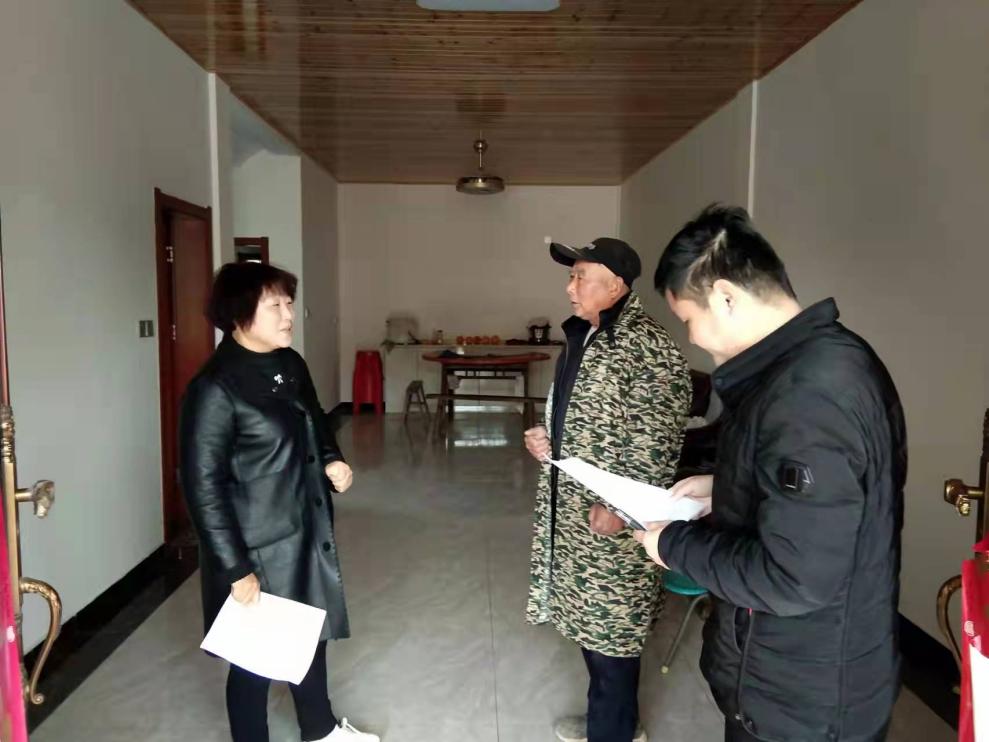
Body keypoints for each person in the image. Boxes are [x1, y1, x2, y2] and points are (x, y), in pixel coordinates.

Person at [637, 205, 906, 742]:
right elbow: (832, 502)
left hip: (803, 703)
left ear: (725, 297)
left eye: (688, 319)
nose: (693, 338)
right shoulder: (821, 362)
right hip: (797, 681)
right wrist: (725, 487)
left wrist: (673, 545)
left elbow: (793, 578)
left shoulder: (810, 394)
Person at [179, 262, 378, 742]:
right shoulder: (215, 388)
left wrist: (332, 459)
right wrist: (235, 567)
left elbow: (314, 420)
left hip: (305, 527)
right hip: (257, 546)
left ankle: (321, 730)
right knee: (254, 661)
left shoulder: (289, 363)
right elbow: (202, 486)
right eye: (275, 305)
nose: (289, 315)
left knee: (311, 632)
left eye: (289, 303)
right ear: (238, 314)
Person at [524, 237, 691, 742]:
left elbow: (656, 438)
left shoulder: (647, 345)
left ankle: (612, 731)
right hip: (575, 506)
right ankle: (612, 721)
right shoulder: (586, 335)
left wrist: (621, 509)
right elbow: (579, 411)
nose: (569, 287)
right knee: (592, 624)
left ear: (615, 285)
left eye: (580, 276)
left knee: (614, 631)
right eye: (570, 275)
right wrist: (546, 436)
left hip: (614, 517)